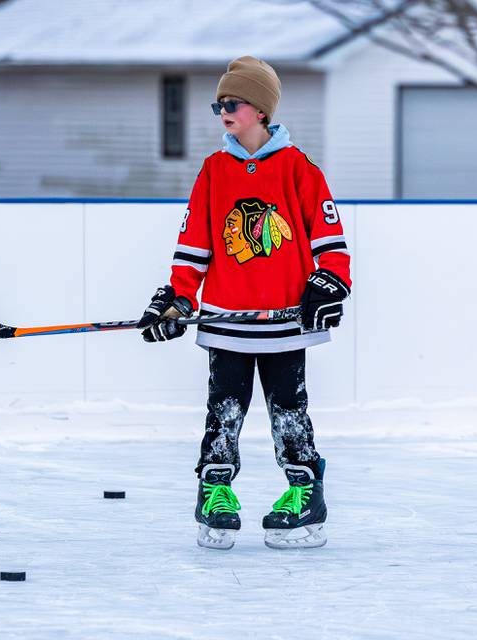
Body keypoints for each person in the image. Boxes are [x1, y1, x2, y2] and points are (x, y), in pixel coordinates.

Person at [138, 56, 351, 550]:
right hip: (228, 323)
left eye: (231, 103)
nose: (223, 112)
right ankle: (214, 490)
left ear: (260, 108)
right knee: (224, 408)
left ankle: (305, 492)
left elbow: (329, 241)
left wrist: (330, 284)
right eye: (219, 105)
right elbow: (193, 248)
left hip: (285, 323)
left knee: (289, 409)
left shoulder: (299, 169)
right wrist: (176, 298)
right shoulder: (214, 172)